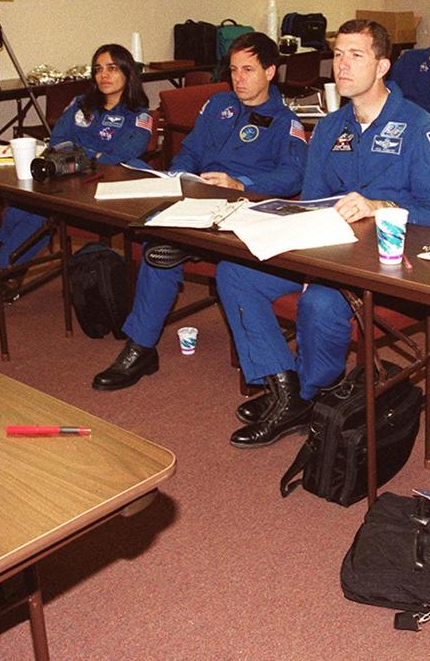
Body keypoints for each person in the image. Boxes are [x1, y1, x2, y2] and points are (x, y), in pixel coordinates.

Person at [215, 19, 430, 446]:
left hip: (389, 265)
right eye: (338, 54)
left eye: (356, 55)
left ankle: (307, 391)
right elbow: (311, 201)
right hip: (329, 254)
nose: (342, 66)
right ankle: (285, 388)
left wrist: (380, 206)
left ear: (382, 66)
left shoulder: (420, 127)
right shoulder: (329, 127)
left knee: (321, 306)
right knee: (235, 272)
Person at [92, 31, 308, 391]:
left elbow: (293, 175)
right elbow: (190, 149)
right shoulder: (218, 105)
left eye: (249, 70)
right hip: (197, 204)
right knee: (157, 249)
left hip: (244, 214)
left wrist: (240, 182)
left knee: (169, 251)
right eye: (234, 70)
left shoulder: (286, 122)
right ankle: (141, 347)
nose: (238, 78)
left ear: (270, 72)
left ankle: (263, 371)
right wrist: (179, 174)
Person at [0, 43, 152, 325]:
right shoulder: (80, 104)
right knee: (23, 207)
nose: (104, 75)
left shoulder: (138, 115)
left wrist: (81, 152)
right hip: (64, 179)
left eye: (112, 68)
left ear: (127, 73)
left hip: (101, 189)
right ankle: (7, 271)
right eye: (98, 69)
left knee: (34, 215)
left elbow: (124, 154)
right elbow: (58, 140)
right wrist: (91, 153)